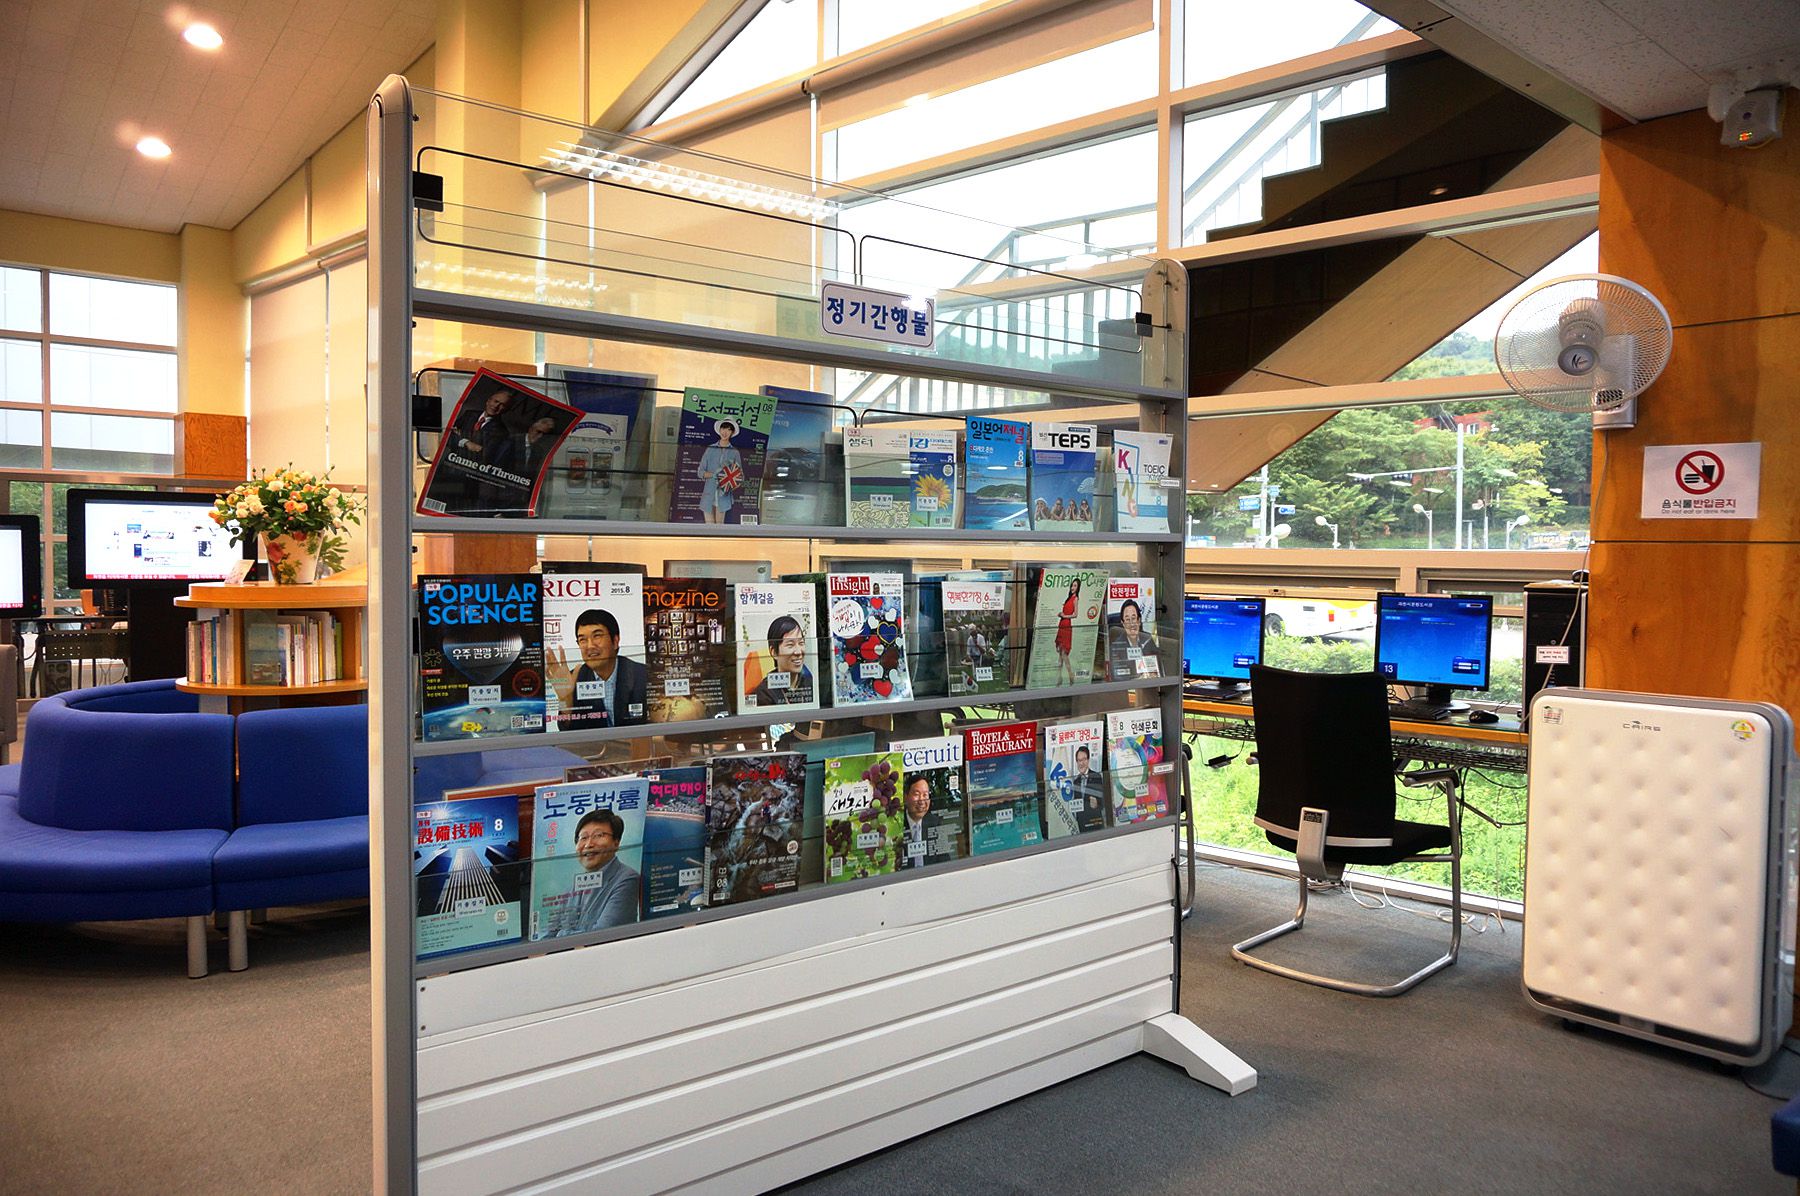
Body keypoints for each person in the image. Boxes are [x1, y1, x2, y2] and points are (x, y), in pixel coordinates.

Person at [549, 607, 648, 728]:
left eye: (597, 636)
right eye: (582, 640)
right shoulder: (573, 680)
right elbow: (567, 731)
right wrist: (565, 702)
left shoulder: (643, 675)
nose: (590, 646)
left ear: (615, 641)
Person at [547, 808, 639, 935]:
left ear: (616, 843)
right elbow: (549, 933)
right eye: (583, 837)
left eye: (598, 835)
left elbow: (602, 934)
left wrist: (561, 934)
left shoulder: (627, 879)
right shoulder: (573, 886)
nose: (588, 844)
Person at [747, 614, 815, 706]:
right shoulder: (763, 694)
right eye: (790, 645)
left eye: (801, 643)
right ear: (774, 652)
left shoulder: (810, 683)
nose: (798, 652)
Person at [697, 419, 744, 524]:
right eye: (723, 428)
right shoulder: (710, 449)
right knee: (709, 527)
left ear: (732, 432)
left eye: (728, 429)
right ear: (719, 429)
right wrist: (715, 475)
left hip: (724, 496)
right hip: (708, 494)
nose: (725, 432)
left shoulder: (735, 452)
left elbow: (740, 476)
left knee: (719, 527)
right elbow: (700, 472)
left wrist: (731, 483)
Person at [1108, 597, 1158, 679]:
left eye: (1134, 618)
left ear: (1139, 620)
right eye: (1127, 619)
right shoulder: (1116, 647)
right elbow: (1117, 676)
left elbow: (1157, 666)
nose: (1131, 624)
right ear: (1123, 623)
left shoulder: (1148, 639)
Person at [897, 775, 940, 870]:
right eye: (916, 794)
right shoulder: (897, 823)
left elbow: (944, 859)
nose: (921, 800)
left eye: (925, 795)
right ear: (905, 797)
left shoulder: (935, 823)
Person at [1070, 744, 1106, 831]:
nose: (1081, 763)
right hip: (1081, 823)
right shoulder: (1076, 781)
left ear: (1088, 760)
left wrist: (1096, 804)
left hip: (1094, 821)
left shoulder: (1096, 776)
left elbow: (1103, 801)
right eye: (1079, 760)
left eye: (1084, 759)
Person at [1053, 576, 1081, 685]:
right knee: (1061, 653)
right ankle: (1059, 677)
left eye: (1075, 586)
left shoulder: (1075, 599)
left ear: (1078, 588)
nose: (1072, 587)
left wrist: (1065, 615)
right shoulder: (1069, 598)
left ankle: (1070, 675)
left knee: (1064, 653)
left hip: (1066, 625)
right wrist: (1061, 614)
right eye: (1072, 585)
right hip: (1062, 624)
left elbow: (1076, 614)